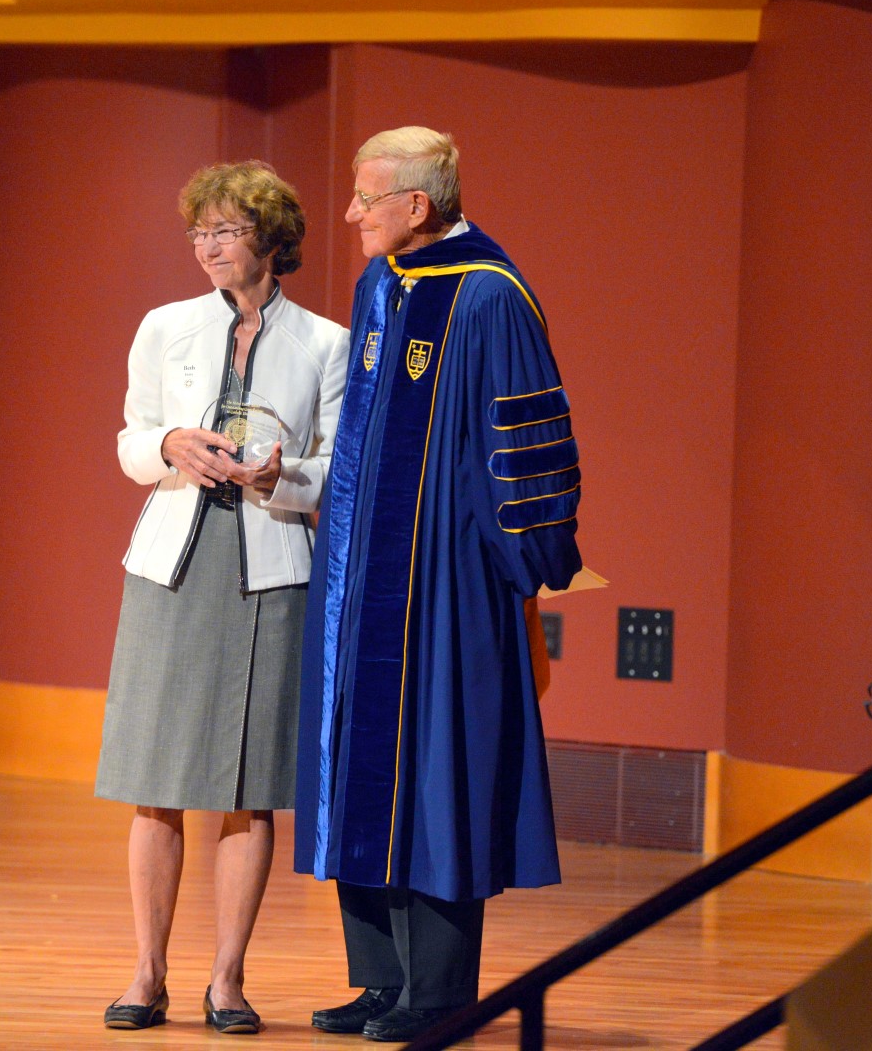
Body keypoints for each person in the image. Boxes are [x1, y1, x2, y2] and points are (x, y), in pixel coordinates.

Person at [294, 127, 583, 1042]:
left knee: (435, 773)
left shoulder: (491, 296)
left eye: (366, 197)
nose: (351, 213)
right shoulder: (381, 283)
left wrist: (520, 569)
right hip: (362, 575)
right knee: (360, 764)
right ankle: (381, 980)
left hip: (446, 585)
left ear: (417, 205)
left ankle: (440, 993)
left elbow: (527, 446)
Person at [96, 160, 349, 1035]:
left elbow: (339, 468)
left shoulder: (325, 343)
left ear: (272, 240)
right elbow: (130, 442)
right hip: (173, 565)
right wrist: (169, 442)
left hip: (268, 572)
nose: (207, 247)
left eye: (227, 231)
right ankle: (146, 973)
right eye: (199, 232)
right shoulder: (164, 325)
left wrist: (285, 477)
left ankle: (228, 980)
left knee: (251, 784)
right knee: (155, 778)